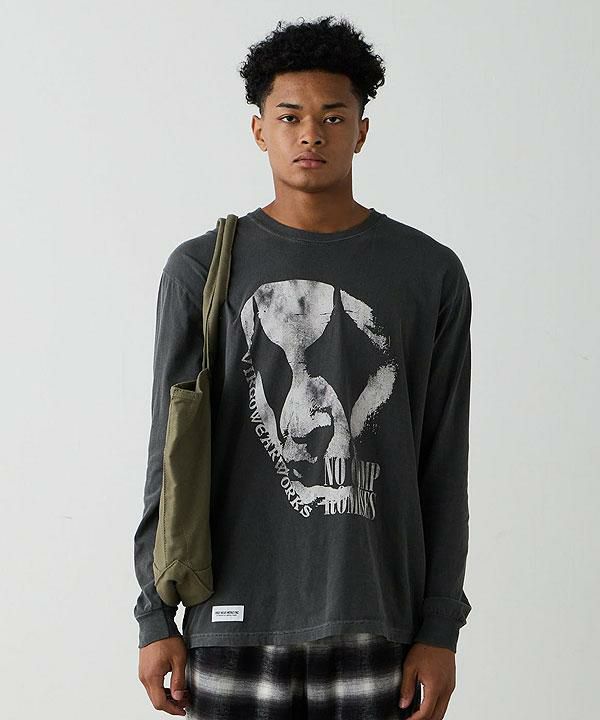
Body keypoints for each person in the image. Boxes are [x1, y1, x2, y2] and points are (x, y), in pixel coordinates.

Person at [134, 14, 473, 720]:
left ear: (362, 131)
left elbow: (443, 459)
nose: (311, 134)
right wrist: (154, 616)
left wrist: (440, 626)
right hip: (230, 615)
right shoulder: (200, 270)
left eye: (332, 116)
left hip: (378, 616)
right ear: (260, 129)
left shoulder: (427, 272)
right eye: (290, 116)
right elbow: (169, 451)